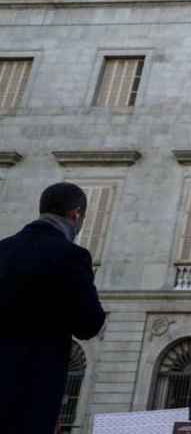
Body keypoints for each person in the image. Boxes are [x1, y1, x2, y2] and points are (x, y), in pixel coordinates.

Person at [0, 182, 106, 434]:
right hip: (32, 391)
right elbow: (89, 323)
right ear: (76, 214)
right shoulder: (71, 256)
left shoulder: (2, 249)